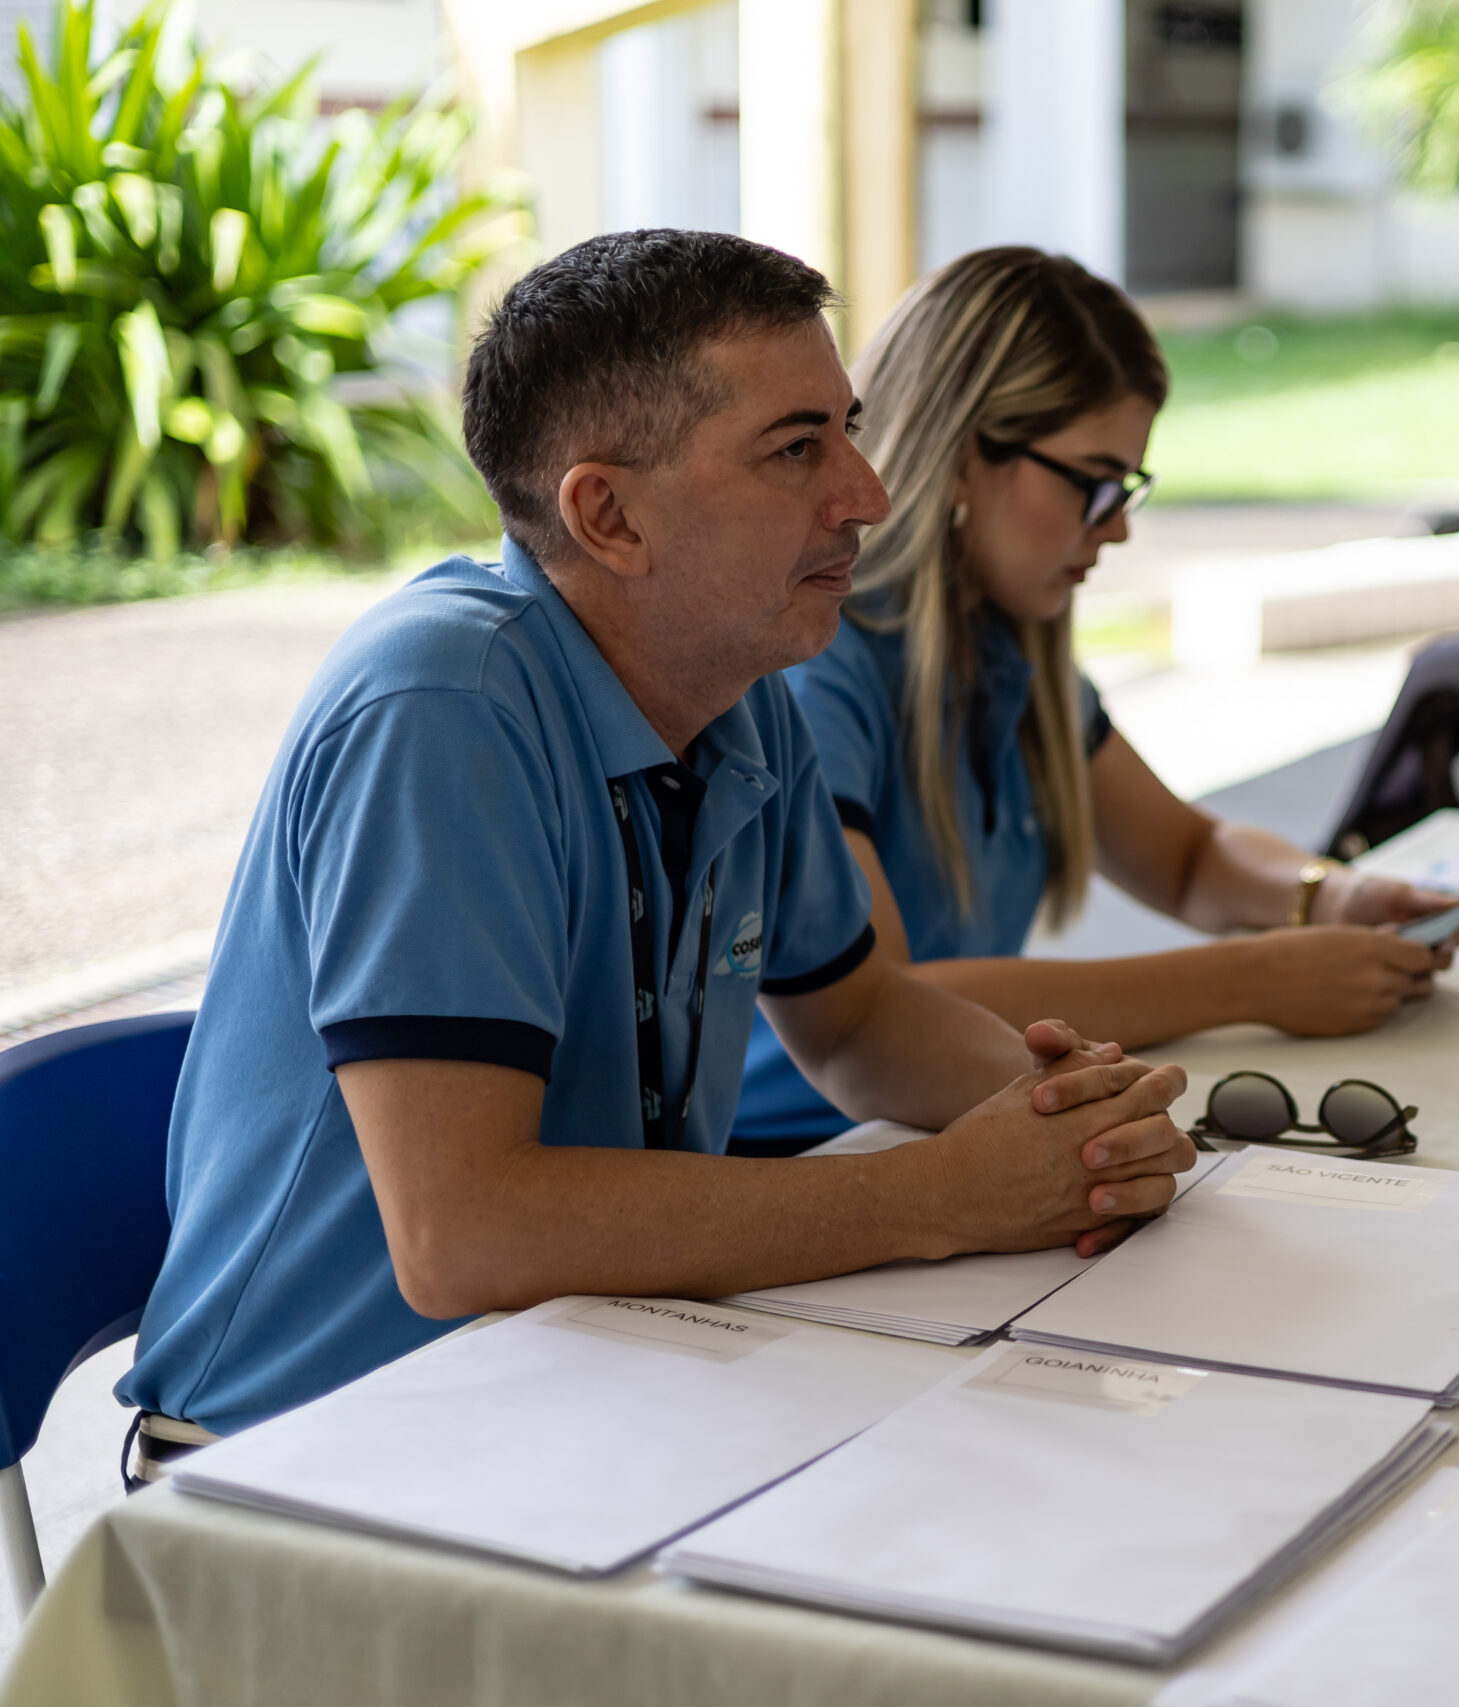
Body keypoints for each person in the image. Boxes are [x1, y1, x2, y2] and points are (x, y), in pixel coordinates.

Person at [116, 232, 1194, 1445]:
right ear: (608, 516)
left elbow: (859, 1020)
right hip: (311, 1459)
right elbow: (462, 1235)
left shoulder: (747, 693)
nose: (869, 494)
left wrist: (1068, 1121)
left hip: (591, 1384)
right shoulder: (445, 704)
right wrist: (938, 1195)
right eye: (798, 450)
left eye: (848, 427)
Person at [730, 248, 1459, 1152]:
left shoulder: (1010, 650)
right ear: (964, 455)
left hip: (942, 1126)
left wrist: (1330, 895)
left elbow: (1189, 858)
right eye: (1095, 482)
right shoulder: (821, 667)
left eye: (1129, 487)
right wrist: (1252, 978)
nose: (1118, 525)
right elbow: (888, 999)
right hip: (803, 1156)